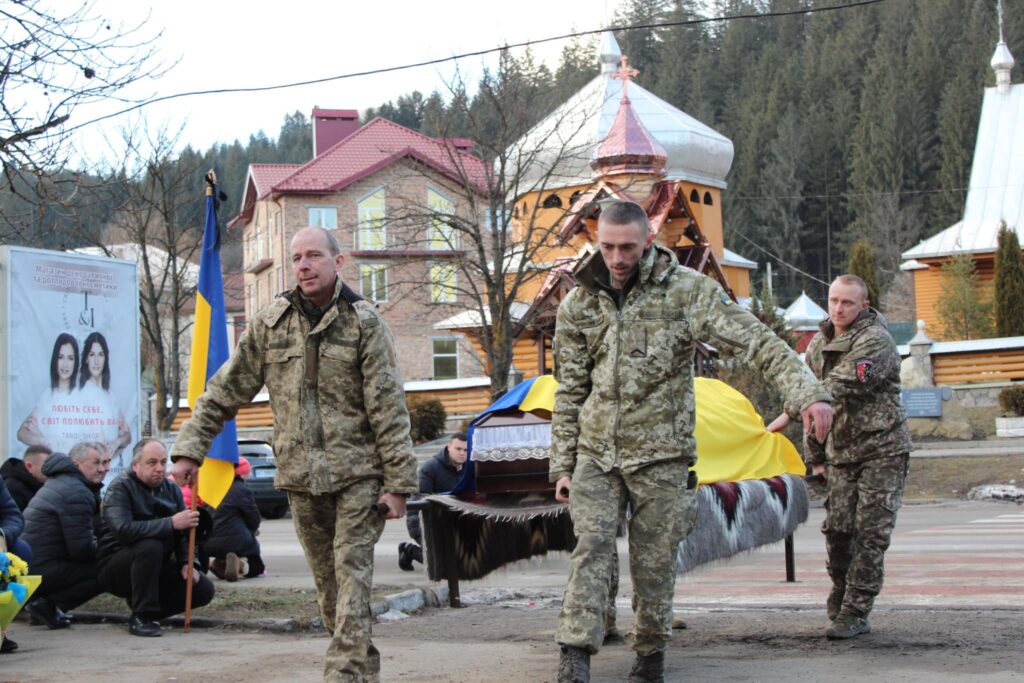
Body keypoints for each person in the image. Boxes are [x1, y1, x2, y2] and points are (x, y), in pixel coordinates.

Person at [550, 201, 834, 683]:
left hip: (663, 457)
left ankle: (650, 655)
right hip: (597, 456)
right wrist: (562, 463)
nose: (617, 258)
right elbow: (571, 390)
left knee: (654, 562)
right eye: (608, 247)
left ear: (647, 241)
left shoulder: (684, 293)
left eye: (628, 248)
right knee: (592, 547)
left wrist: (809, 394)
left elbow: (757, 342)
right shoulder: (580, 302)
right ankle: (574, 656)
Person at [171, 226, 417, 682]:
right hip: (301, 481)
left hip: (357, 479)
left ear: (337, 262)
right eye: (296, 257)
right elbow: (224, 392)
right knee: (331, 594)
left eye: (314, 256)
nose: (303, 265)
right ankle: (363, 671)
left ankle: (341, 676)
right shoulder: (270, 324)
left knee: (352, 580)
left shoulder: (365, 323)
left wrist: (398, 484)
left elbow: (389, 407)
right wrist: (190, 449)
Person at [767, 274, 911, 640]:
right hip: (842, 453)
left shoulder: (875, 342)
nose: (838, 308)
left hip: (882, 450)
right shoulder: (818, 343)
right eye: (833, 300)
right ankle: (842, 590)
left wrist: (790, 408)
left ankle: (856, 610)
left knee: (870, 533)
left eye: (847, 302)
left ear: (864, 304)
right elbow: (814, 409)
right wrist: (815, 457)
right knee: (838, 532)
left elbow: (839, 384)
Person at [96, 439, 214, 637]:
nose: (159, 468)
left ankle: (148, 609)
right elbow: (123, 530)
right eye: (152, 463)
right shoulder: (120, 488)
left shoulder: (172, 489)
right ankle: (143, 616)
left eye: (163, 462)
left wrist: (188, 562)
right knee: (150, 546)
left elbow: (184, 534)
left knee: (203, 588)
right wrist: (170, 523)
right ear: (135, 465)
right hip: (116, 564)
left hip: (157, 564)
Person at [22, 441, 109, 629]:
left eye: (103, 463)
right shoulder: (76, 491)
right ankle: (46, 605)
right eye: (95, 463)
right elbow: (81, 550)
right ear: (76, 464)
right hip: (39, 568)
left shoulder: (63, 482)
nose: (102, 469)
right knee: (108, 568)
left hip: (30, 565)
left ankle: (43, 607)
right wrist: (110, 546)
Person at [399, 433, 468, 571]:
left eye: (466, 450)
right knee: (444, 563)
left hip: (454, 521)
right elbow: (420, 498)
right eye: (458, 449)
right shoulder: (430, 468)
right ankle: (408, 550)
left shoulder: (470, 469)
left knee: (466, 561)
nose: (462, 453)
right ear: (449, 447)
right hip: (424, 520)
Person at [206, 457, 265, 581]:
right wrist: (253, 530)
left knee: (225, 545)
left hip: (208, 542)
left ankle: (219, 564)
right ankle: (242, 565)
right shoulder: (241, 489)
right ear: (242, 474)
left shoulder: (209, 487)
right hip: (237, 542)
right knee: (257, 567)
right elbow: (253, 517)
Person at [17, 333, 79, 452]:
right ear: (55, 359)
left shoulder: (82, 394)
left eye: (70, 358)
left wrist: (39, 433)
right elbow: (22, 433)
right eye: (61, 357)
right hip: (50, 466)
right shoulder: (48, 394)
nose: (65, 364)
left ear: (76, 362)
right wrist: (44, 440)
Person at [77, 331, 132, 462]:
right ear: (86, 358)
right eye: (92, 354)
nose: (96, 361)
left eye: (100, 355)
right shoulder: (83, 394)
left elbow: (128, 435)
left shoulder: (110, 395)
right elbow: (99, 443)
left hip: (110, 466)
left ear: (105, 358)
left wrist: (116, 442)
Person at [2, 444, 53, 511]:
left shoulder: (42, 486)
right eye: (47, 466)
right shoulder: (12, 488)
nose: (52, 470)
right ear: (29, 466)